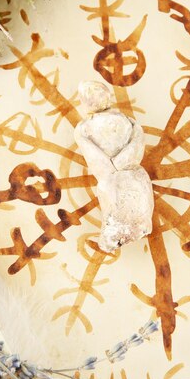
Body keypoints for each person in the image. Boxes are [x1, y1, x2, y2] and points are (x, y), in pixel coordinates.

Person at [75, 81, 154, 253]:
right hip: (136, 178)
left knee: (115, 214)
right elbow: (137, 144)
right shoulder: (129, 122)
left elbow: (95, 159)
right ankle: (139, 227)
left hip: (110, 182)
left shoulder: (84, 129)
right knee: (139, 213)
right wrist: (123, 162)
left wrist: (111, 170)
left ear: (86, 102)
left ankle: (118, 235)